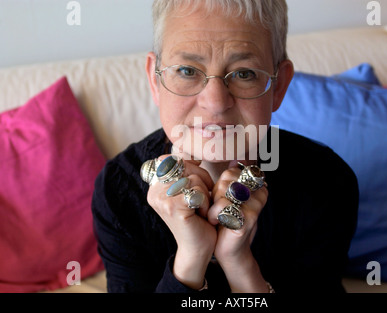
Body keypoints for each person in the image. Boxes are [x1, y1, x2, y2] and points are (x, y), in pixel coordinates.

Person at [92, 0, 359, 293]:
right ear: (155, 81)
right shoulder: (118, 189)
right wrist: (191, 258)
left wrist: (239, 262)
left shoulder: (328, 181)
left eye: (244, 73)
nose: (216, 103)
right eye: (187, 70)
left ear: (279, 86)